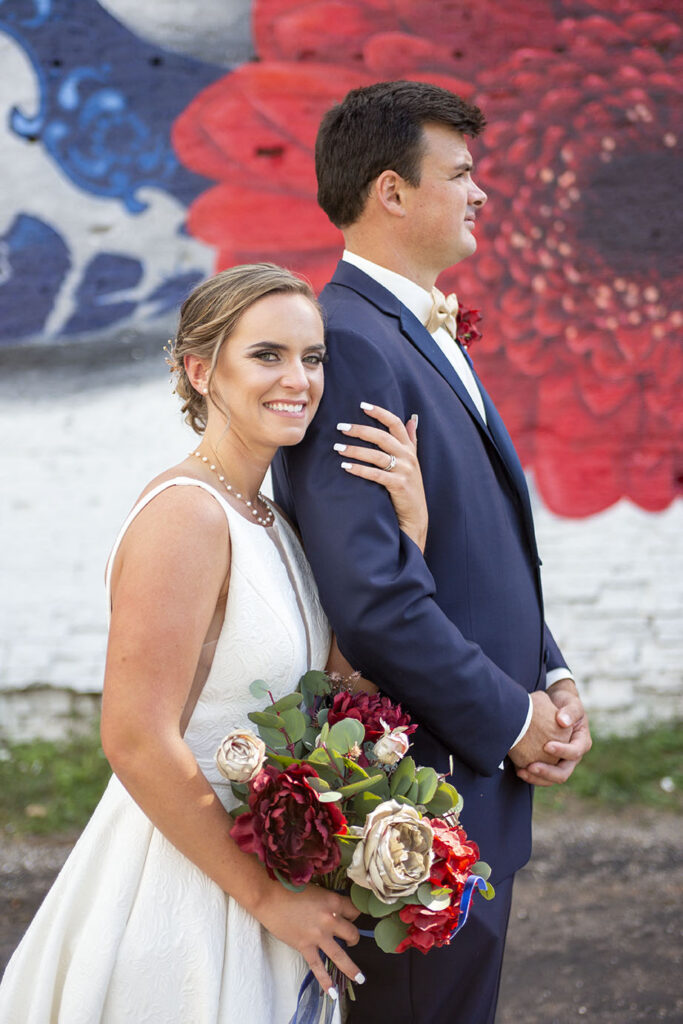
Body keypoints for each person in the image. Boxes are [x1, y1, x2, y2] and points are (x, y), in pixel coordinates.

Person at [0, 264, 429, 1023]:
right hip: (183, 890)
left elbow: (325, 699)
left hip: (266, 875)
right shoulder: (187, 518)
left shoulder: (269, 521)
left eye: (312, 357)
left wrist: (408, 537)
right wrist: (265, 898)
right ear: (200, 371)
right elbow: (134, 737)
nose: (297, 379)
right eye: (266, 355)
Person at [272, 80, 593, 1023]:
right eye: (459, 173)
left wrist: (550, 669)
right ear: (392, 193)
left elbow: (473, 542)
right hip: (424, 788)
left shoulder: (413, 328)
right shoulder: (352, 346)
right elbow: (372, 597)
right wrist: (508, 718)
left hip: (473, 765)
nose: (479, 193)